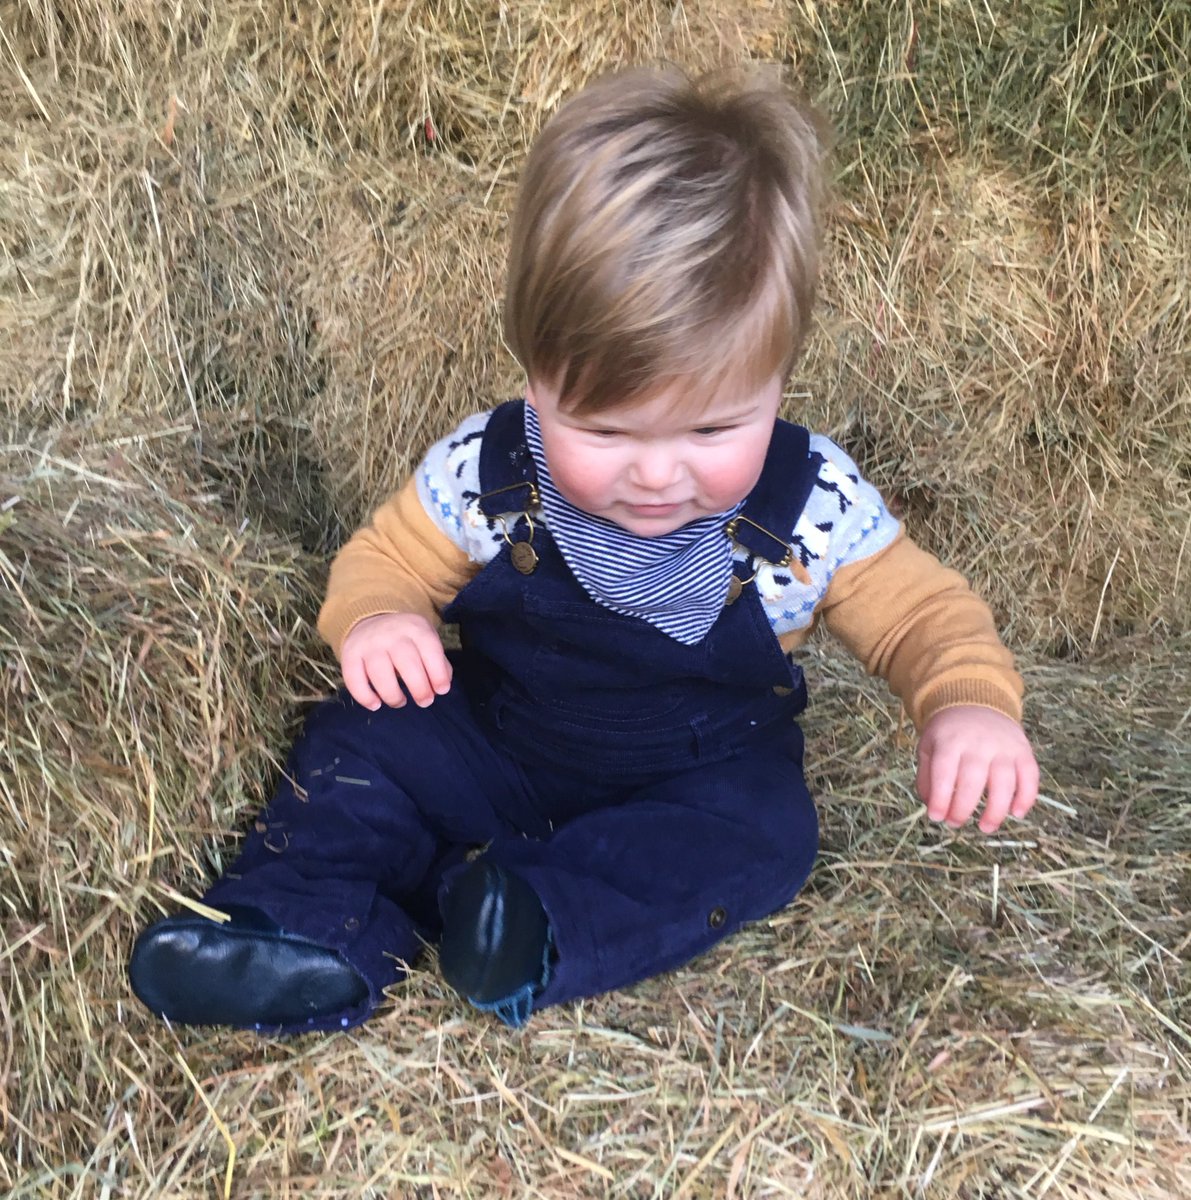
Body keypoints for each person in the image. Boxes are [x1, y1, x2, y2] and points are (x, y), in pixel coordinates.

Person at [129, 65, 1038, 1035]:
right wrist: (381, 616)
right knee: (365, 735)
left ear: (781, 376)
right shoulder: (489, 472)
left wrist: (965, 704)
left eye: (710, 433)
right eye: (604, 434)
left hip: (685, 780)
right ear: (533, 374)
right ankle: (295, 927)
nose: (655, 474)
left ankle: (529, 925)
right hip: (499, 744)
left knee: (766, 835)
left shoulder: (808, 504)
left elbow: (923, 615)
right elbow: (383, 557)